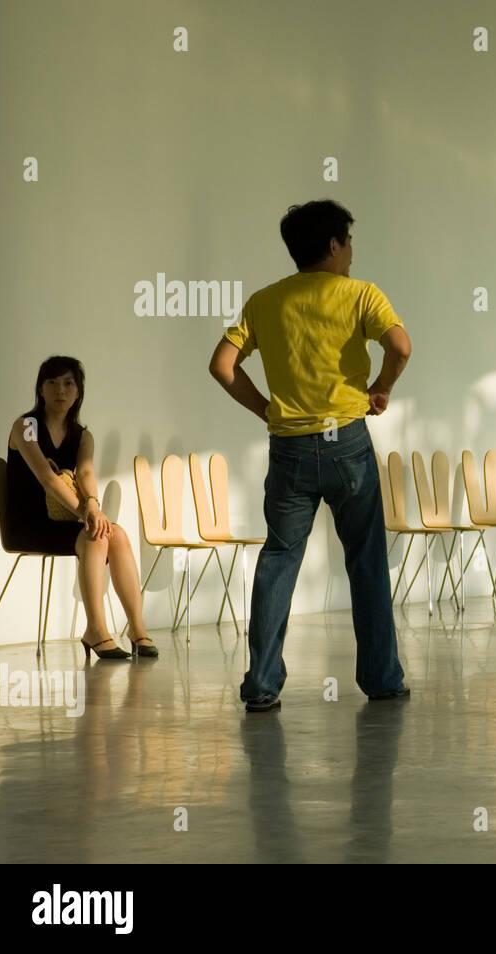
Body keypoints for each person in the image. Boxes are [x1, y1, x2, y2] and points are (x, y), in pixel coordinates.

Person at [209, 200, 410, 712]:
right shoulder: (361, 294)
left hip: (290, 450)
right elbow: (401, 346)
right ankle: (382, 680)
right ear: (334, 245)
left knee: (278, 560)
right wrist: (380, 388)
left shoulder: (264, 300)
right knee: (365, 563)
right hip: (348, 443)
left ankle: (262, 685)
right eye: (348, 243)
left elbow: (222, 364)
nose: (351, 254)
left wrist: (268, 411)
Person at [5, 356, 156, 658]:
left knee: (117, 534)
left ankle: (137, 629)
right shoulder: (26, 426)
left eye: (68, 383)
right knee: (96, 535)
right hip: (29, 523)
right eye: (52, 382)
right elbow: (48, 479)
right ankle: (96, 630)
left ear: (78, 392)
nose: (60, 389)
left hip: (66, 520)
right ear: (40, 389)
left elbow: (85, 474)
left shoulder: (82, 435)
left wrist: (94, 507)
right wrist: (85, 514)